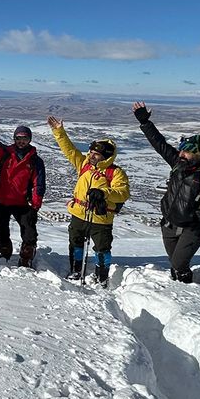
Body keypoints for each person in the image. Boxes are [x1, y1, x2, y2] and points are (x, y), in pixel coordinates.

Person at [133, 102, 200, 283]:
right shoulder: (179, 163)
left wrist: (197, 216)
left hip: (193, 226)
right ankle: (177, 281)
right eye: (181, 150)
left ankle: (186, 288)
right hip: (169, 222)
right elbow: (159, 144)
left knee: (179, 263)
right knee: (173, 261)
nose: (181, 154)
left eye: (187, 152)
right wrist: (145, 123)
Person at [47, 116, 130, 287]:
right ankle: (76, 269)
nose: (91, 156)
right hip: (78, 213)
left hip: (101, 217)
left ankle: (102, 276)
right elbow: (69, 150)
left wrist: (103, 193)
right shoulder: (84, 164)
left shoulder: (115, 173)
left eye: (96, 154)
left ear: (105, 157)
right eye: (91, 152)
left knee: (102, 248)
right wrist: (59, 131)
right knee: (75, 243)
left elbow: (122, 193)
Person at [0, 107, 46, 267]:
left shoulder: (35, 161)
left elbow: (39, 184)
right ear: (14, 139)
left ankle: (26, 256)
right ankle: (5, 253)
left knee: (29, 232)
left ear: (29, 140)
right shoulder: (6, 153)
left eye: (24, 138)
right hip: (0, 200)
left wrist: (35, 206)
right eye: (18, 138)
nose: (21, 141)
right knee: (1, 232)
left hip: (21, 202)